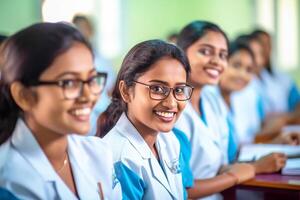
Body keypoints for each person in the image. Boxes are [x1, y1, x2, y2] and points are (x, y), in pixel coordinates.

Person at [0, 22, 121, 199]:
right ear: (24, 95)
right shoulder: (9, 182)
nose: (88, 96)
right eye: (69, 83)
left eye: (92, 79)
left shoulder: (98, 152)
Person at [174, 21, 286, 200]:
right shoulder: (173, 110)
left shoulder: (212, 101)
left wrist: (264, 155)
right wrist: (247, 170)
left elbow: (223, 164)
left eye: (222, 55)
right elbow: (180, 191)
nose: (216, 61)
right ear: (181, 52)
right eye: (205, 51)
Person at [97, 39, 194, 199]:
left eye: (179, 90)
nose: (171, 103)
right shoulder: (120, 160)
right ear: (126, 91)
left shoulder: (170, 140)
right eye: (157, 89)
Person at [72, 14, 116, 135]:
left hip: (102, 113)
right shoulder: (69, 59)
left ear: (91, 30)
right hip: (82, 114)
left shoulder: (103, 60)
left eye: (85, 27)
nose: (82, 31)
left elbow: (112, 87)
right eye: (78, 28)